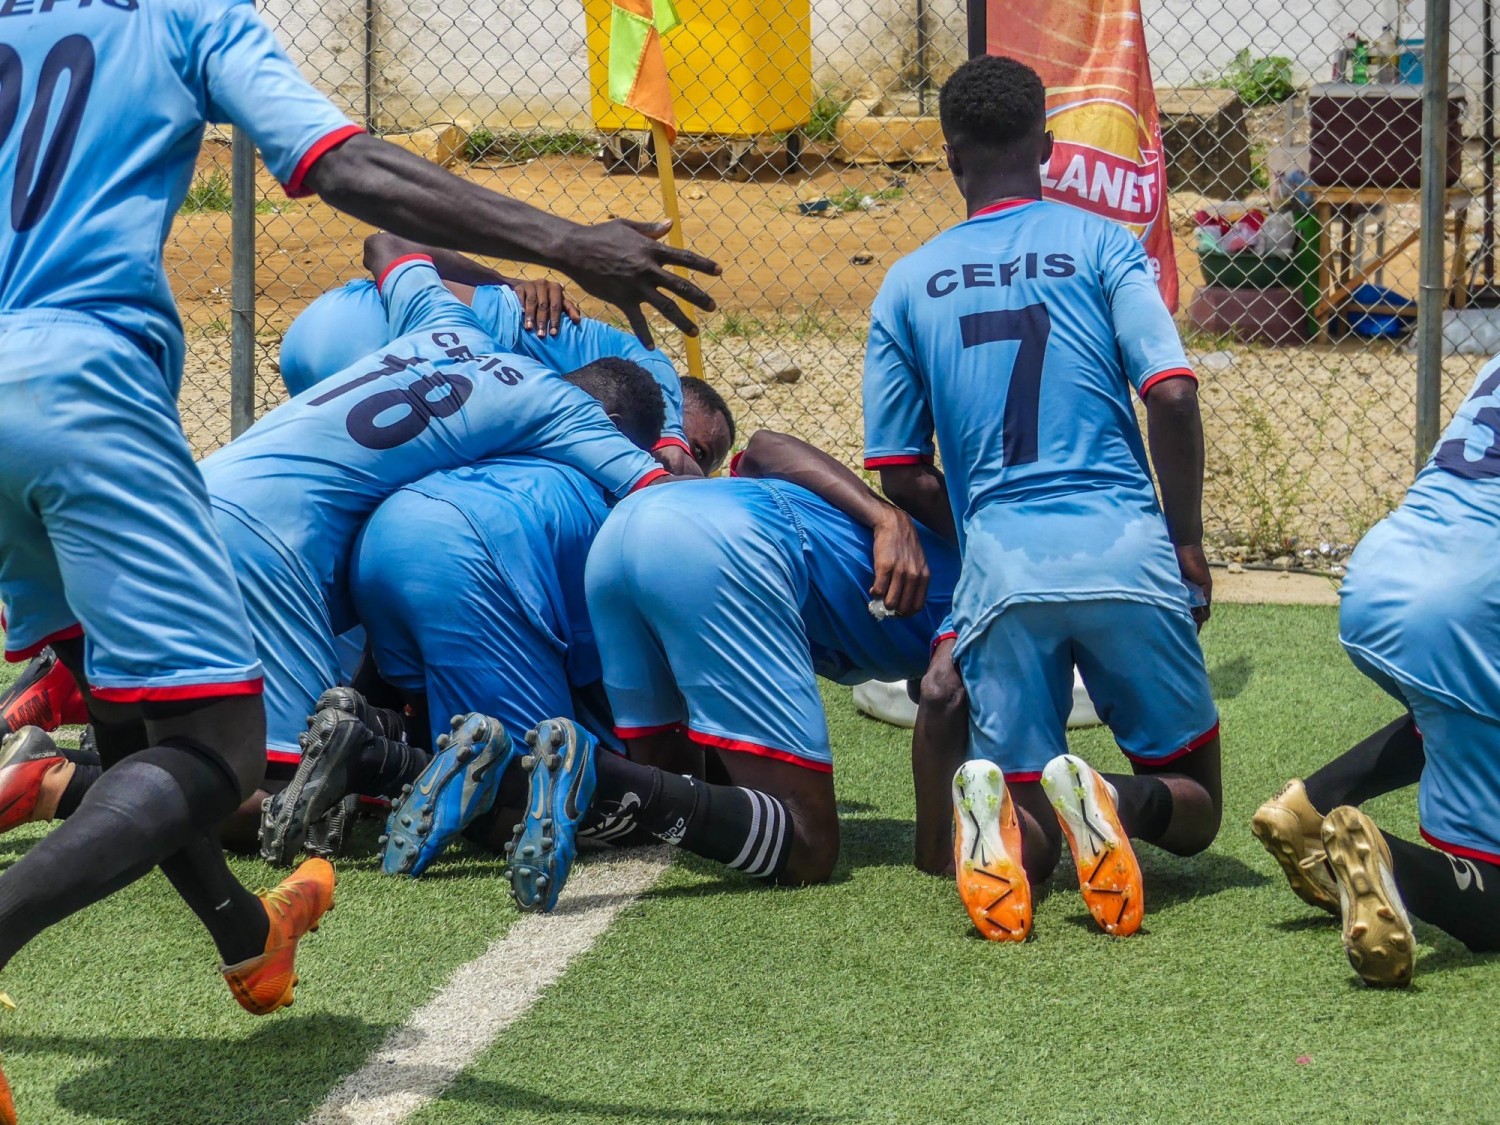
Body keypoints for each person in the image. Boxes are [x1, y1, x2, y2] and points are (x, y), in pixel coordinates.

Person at [0, 0, 718, 1111]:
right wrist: (567, 245)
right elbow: (348, 168)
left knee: (126, 713)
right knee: (222, 767)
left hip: (46, 398)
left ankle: (246, 934)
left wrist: (486, 273)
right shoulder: (192, 17)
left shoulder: (434, 319)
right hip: (94, 400)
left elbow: (388, 243)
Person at [860, 55, 1219, 943]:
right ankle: (1113, 795)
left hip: (1003, 568)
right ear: (1049, 147)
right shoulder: (1104, 245)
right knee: (1199, 804)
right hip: (1126, 548)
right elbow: (1172, 393)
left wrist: (981, 524)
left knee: (1036, 841)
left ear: (951, 159)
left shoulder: (906, 281)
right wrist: (1187, 542)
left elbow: (900, 468)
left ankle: (1002, 820)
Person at [270, 377, 737, 879]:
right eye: (695, 448)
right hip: (475, 556)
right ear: (624, 430)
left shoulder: (513, 437)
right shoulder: (628, 502)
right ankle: (373, 760)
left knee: (454, 728)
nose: (690, 464)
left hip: (387, 532)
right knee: (561, 788)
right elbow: (636, 693)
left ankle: (364, 726)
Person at [501, 432, 959, 911]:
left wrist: (882, 516)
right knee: (808, 845)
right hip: (721, 544)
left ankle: (500, 774)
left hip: (624, 532)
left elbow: (760, 450)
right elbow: (943, 693)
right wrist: (935, 851)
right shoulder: (1000, 588)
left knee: (669, 790)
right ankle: (594, 771)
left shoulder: (965, 539)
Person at [1253, 353, 1500, 987]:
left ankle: (1310, 808)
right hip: (1467, 606)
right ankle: (1392, 864)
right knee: (1494, 891)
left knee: (1448, 711)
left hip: (1382, 573)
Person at [279, 244, 720, 476]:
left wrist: (503, 282)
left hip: (318, 333)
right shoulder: (654, 377)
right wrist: (675, 442)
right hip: (381, 334)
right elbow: (662, 394)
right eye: (705, 451)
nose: (698, 465)